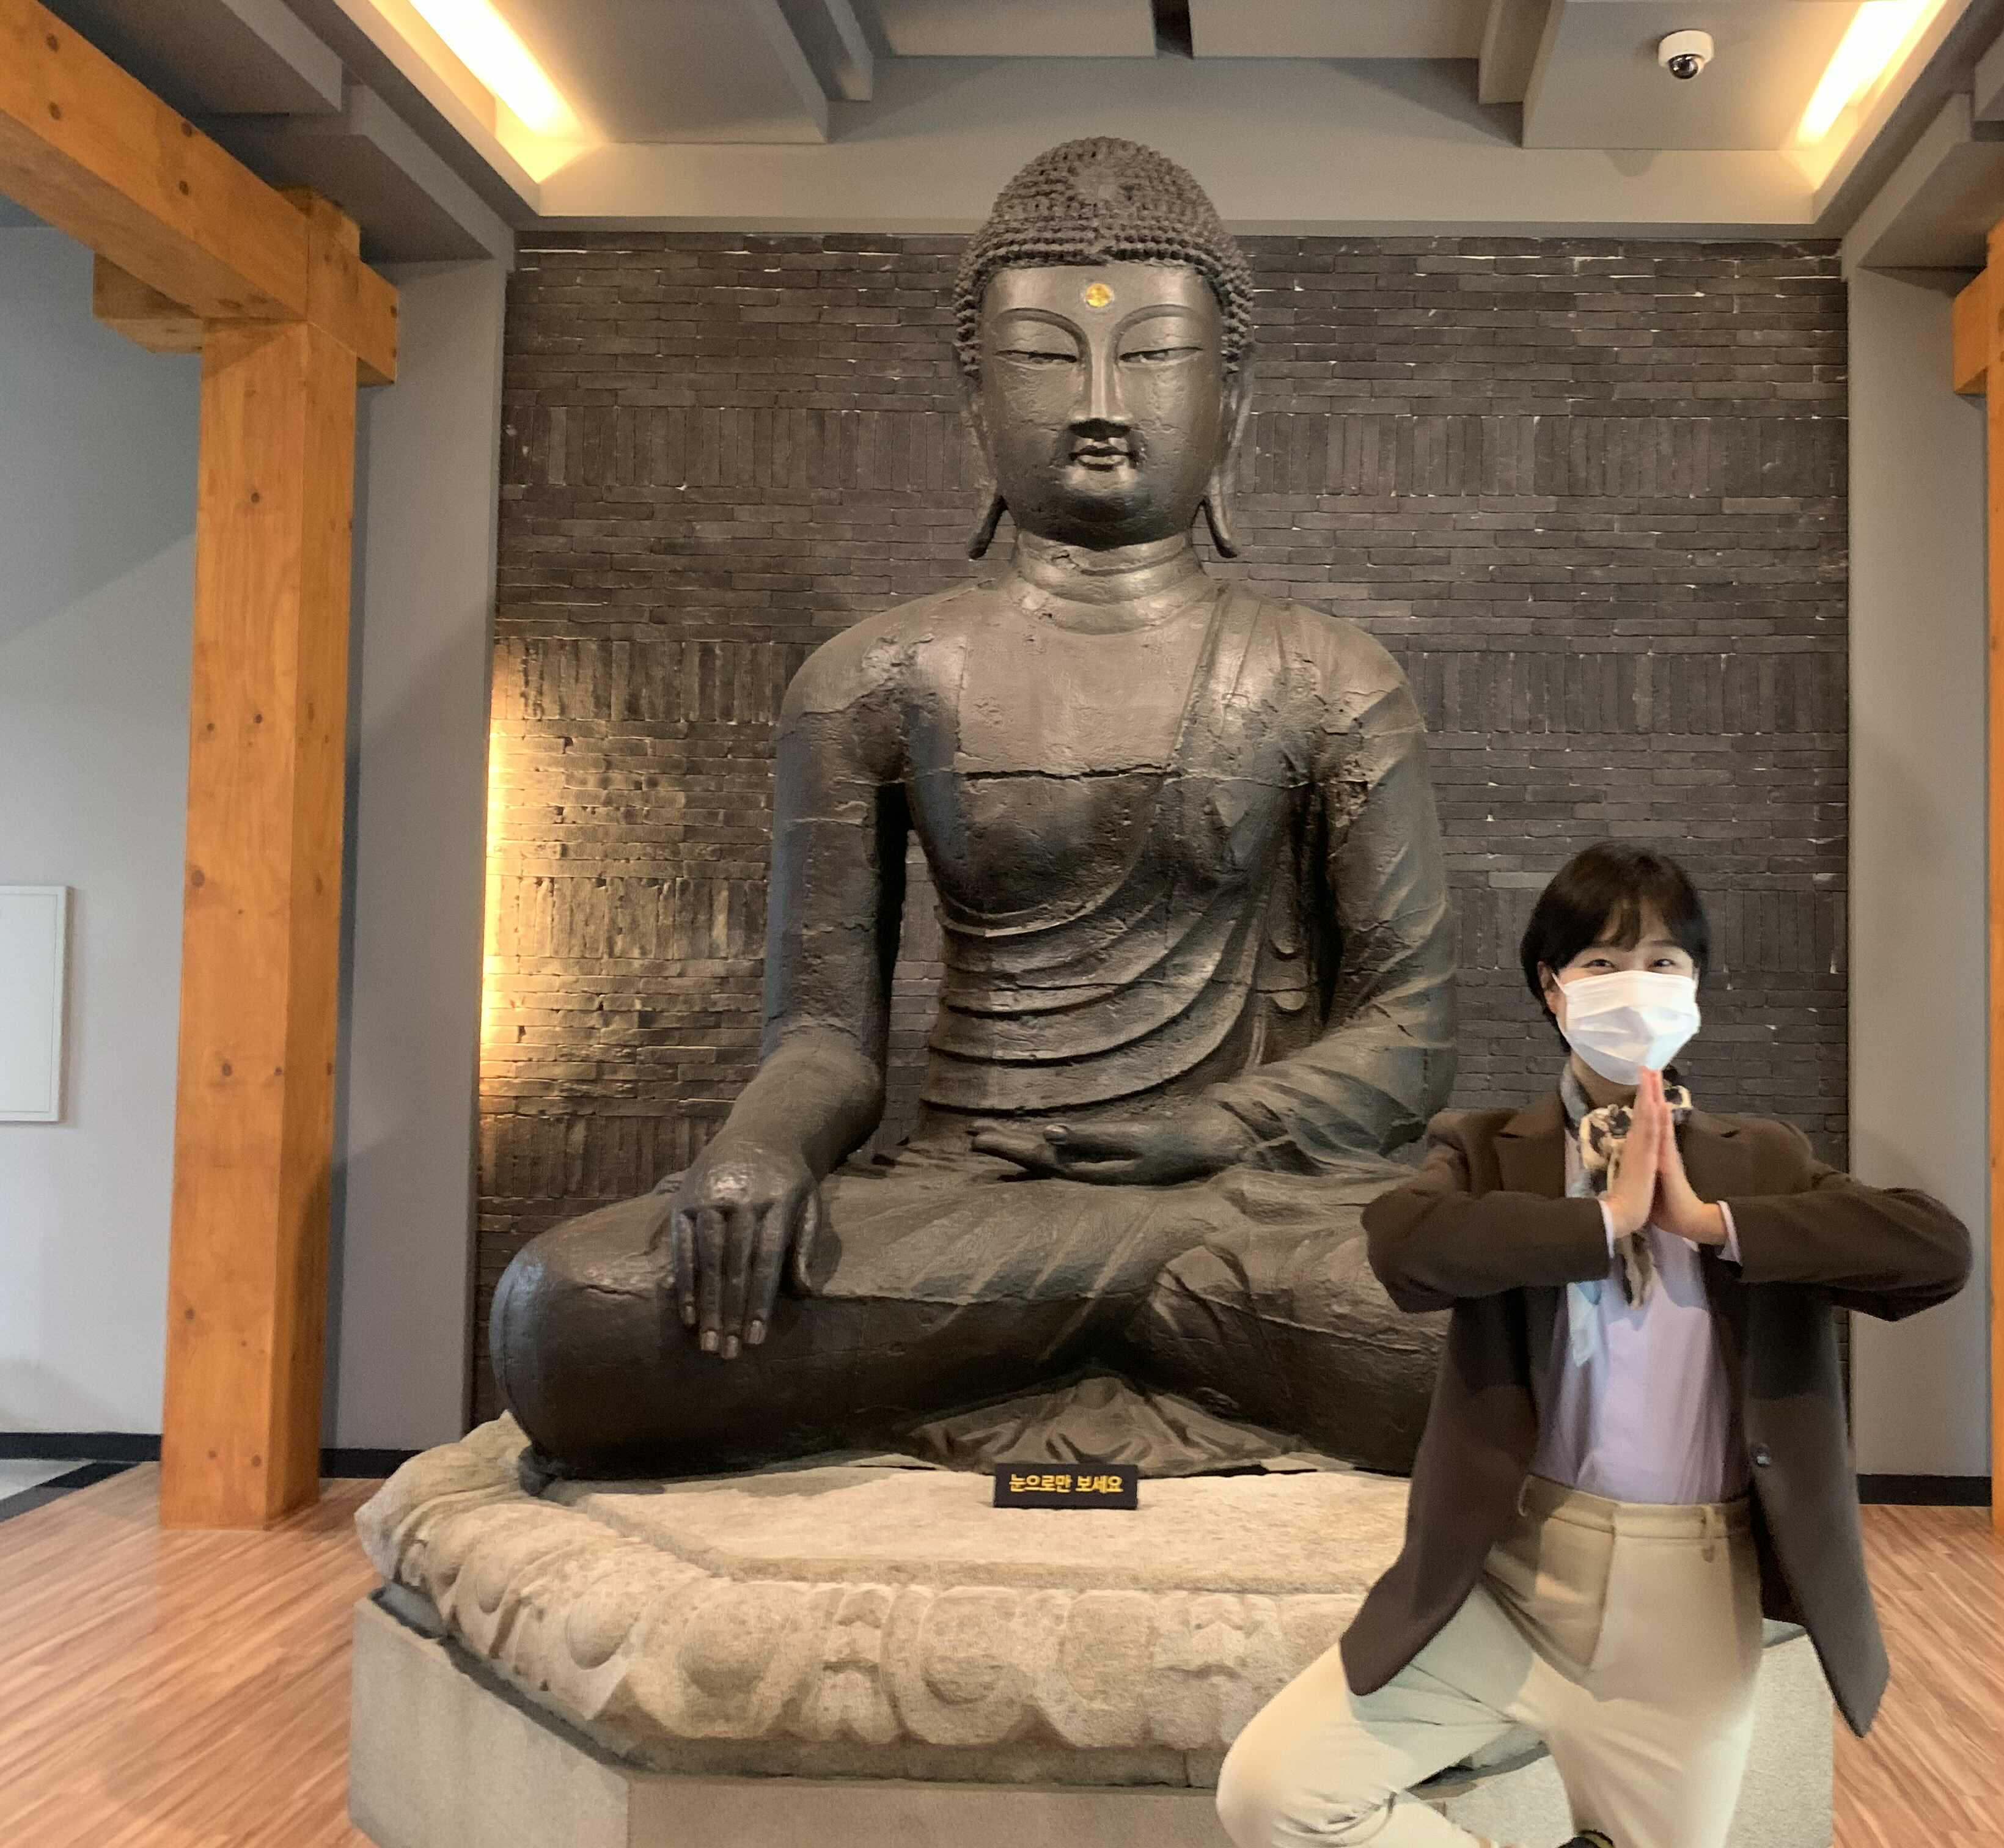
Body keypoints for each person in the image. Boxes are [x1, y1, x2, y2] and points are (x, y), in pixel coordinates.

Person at [488, 138, 1461, 1481]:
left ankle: (1056, 1322)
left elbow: (1412, 1031)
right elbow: (825, 1036)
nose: (1102, 403)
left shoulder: (1329, 675)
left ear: (1232, 402)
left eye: (1154, 356)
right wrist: (756, 1152)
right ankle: (1130, 1314)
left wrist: (1220, 1127)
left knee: (1499, 1340)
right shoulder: (878, 677)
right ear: (973, 405)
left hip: (1244, 1199)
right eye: (1047, 358)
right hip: (974, 1195)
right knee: (572, 1317)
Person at [1216, 843, 1972, 1848]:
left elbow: (1936, 1253)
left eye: (1665, 962)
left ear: (1697, 986)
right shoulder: (1486, 1149)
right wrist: (1603, 1221)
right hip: (1510, 1585)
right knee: (1276, 1793)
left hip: (1690, 1610)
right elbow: (1404, 1247)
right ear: (1553, 985)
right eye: (1604, 962)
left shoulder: (1764, 1160)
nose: (1637, 985)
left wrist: (1708, 1223)